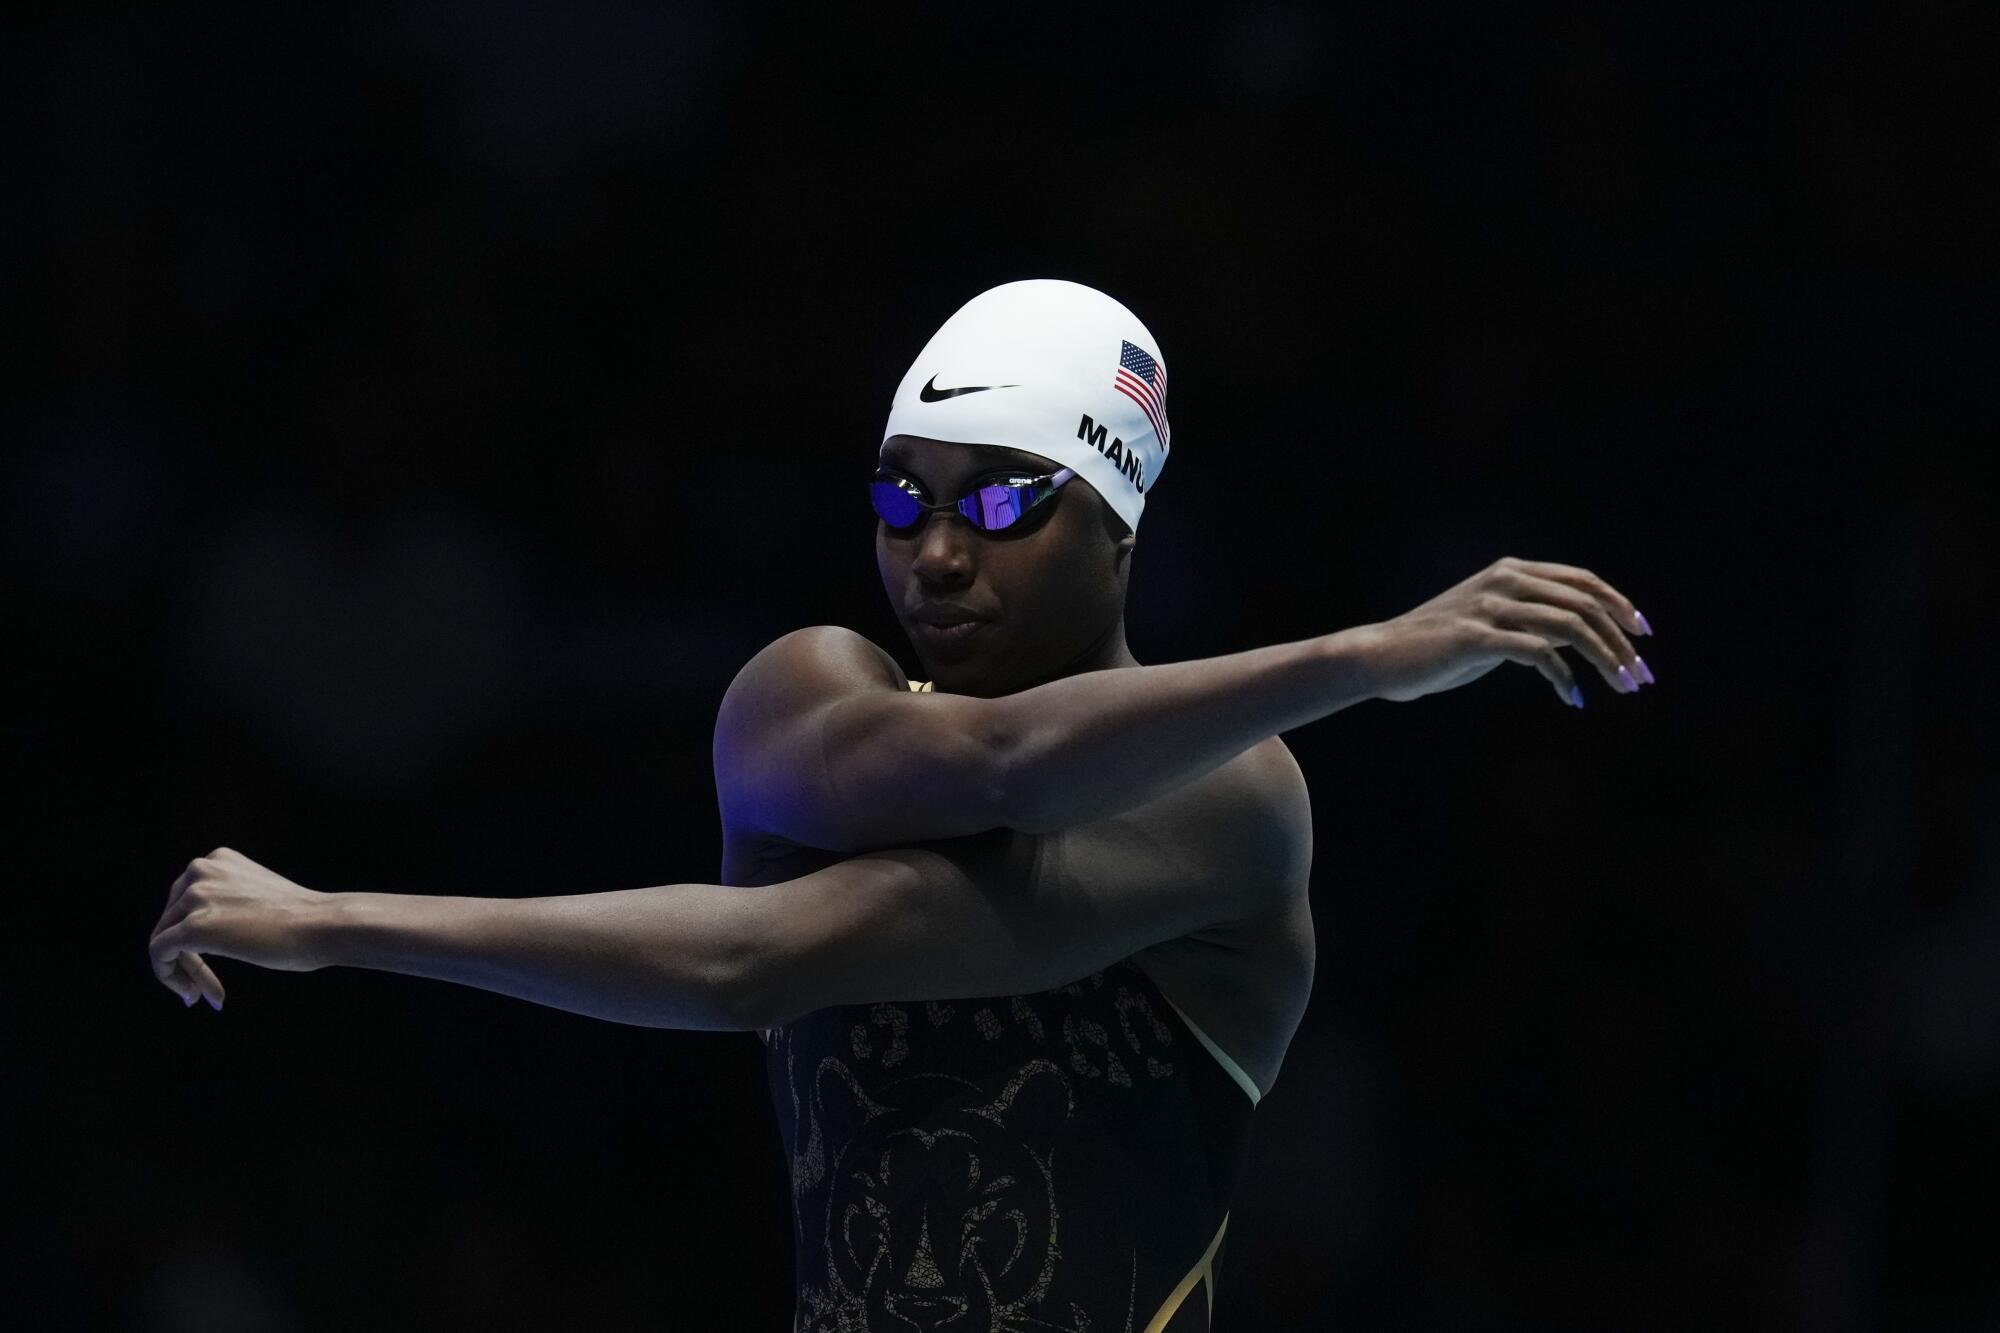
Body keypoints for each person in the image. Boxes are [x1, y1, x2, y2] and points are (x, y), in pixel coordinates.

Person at [149, 279, 1657, 1330]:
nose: (936, 552)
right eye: (901, 498)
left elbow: (798, 933)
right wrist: (1365, 658)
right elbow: (957, 793)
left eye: (1001, 501)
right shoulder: (805, 692)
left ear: (1121, 523)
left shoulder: (1237, 798)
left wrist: (338, 921)